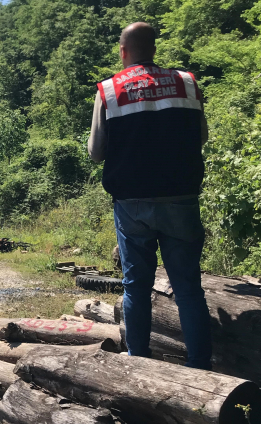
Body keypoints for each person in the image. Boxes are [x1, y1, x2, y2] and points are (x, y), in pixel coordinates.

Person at [88, 22, 212, 369]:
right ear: (154, 49)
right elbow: (201, 137)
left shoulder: (110, 90)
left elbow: (96, 152)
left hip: (132, 202)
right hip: (181, 198)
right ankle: (201, 366)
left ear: (123, 51)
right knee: (188, 288)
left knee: (136, 286)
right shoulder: (187, 83)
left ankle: (138, 361)